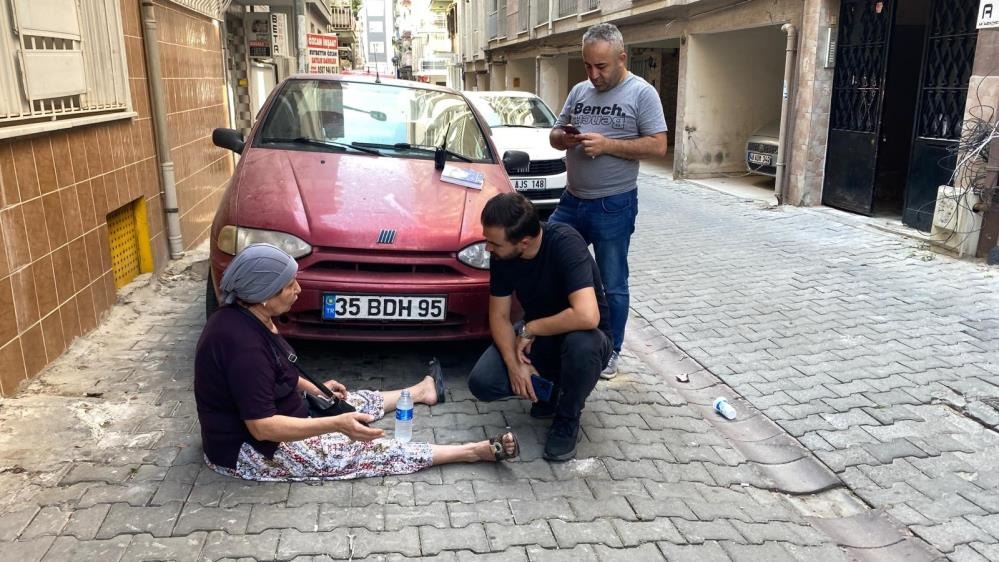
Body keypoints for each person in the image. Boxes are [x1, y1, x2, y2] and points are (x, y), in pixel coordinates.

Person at [194, 244, 519, 481]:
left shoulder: (252, 314)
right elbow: (262, 427)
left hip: (287, 413)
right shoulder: (243, 346)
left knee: (349, 400)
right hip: (252, 452)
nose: (298, 289)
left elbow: (277, 372)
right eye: (289, 286)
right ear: (264, 293)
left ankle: (421, 392)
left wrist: (315, 389)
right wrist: (336, 425)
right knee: (370, 450)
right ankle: (473, 451)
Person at [548, 22, 668, 379]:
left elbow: (658, 145)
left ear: (621, 58)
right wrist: (564, 138)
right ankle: (555, 332)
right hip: (571, 201)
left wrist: (607, 145)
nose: (593, 74)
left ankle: (611, 349)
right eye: (588, 65)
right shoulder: (579, 91)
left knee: (613, 282)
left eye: (600, 66)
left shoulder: (642, 93)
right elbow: (554, 133)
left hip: (613, 204)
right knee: (548, 258)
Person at [467, 193, 612, 462]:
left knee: (582, 345)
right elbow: (499, 316)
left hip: (585, 339)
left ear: (524, 242)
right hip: (538, 338)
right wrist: (515, 367)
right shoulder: (502, 256)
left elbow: (587, 316)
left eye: (494, 243)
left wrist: (531, 328)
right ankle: (550, 393)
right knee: (483, 382)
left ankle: (567, 418)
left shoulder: (565, 243)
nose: (488, 248)